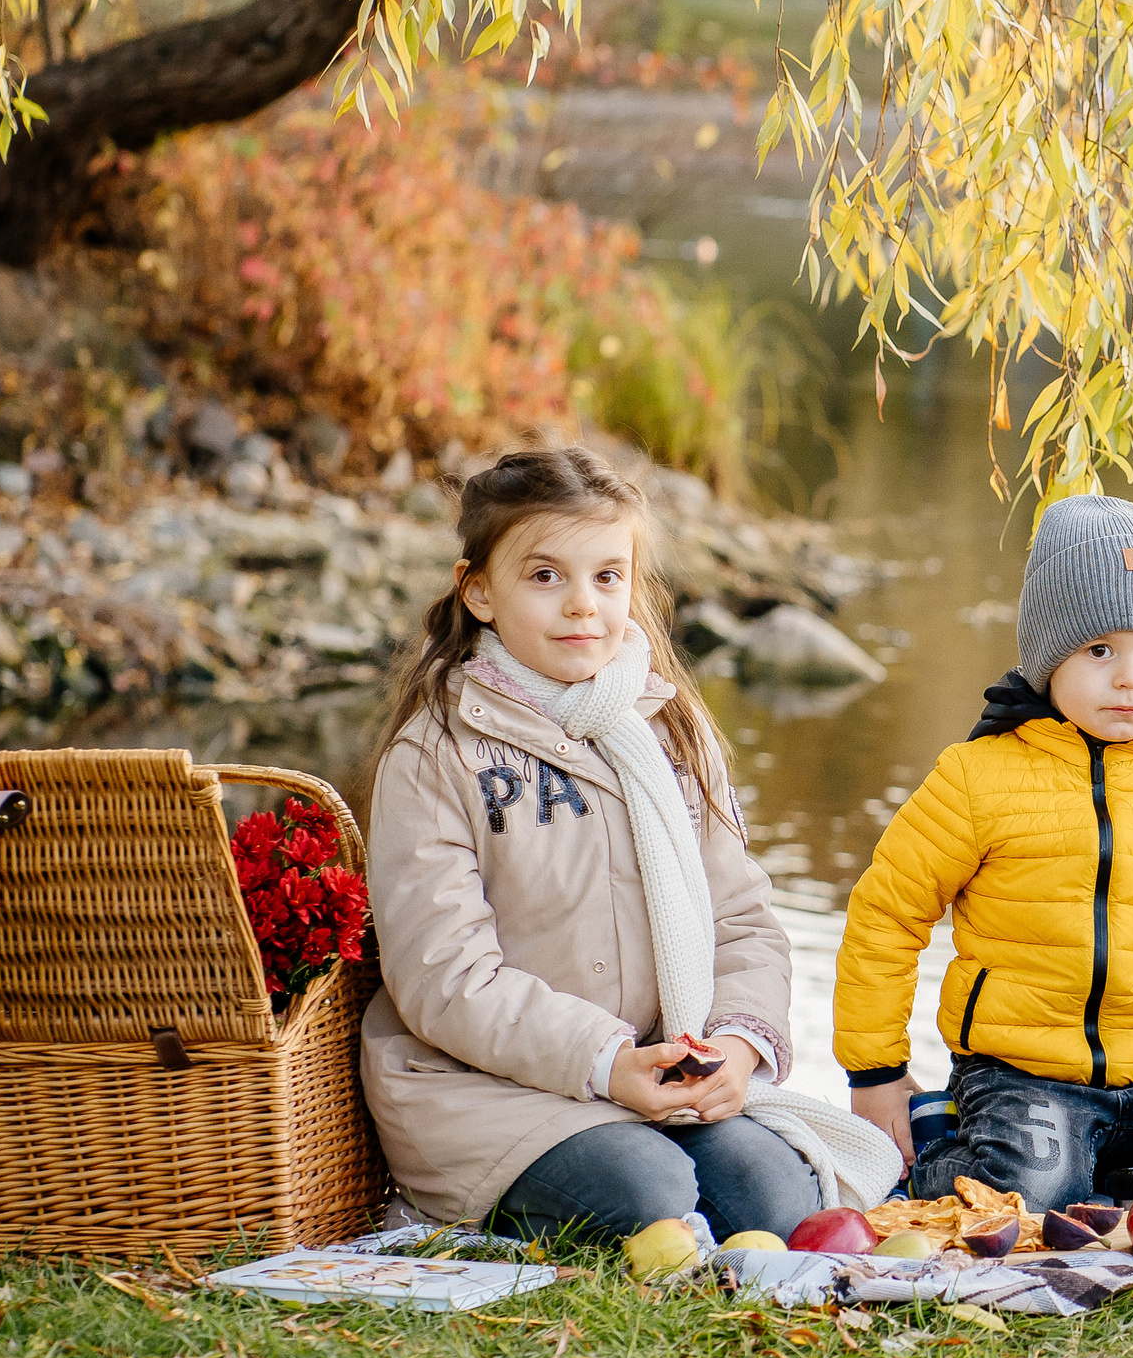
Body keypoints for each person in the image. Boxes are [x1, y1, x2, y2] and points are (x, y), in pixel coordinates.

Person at [361, 448, 881, 1242]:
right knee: (650, 1189)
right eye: (545, 576)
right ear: (479, 591)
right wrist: (606, 1063)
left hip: (658, 1072)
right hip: (487, 1090)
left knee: (779, 1195)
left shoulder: (667, 732)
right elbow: (446, 979)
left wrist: (736, 1049)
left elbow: (742, 919)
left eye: (607, 577)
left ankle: (673, 1138)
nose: (582, 606)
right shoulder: (437, 754)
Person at [837, 495, 1133, 1210]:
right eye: (1099, 650)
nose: (1130, 677)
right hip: (1023, 1074)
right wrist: (875, 1072)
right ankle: (936, 1147)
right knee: (1030, 1188)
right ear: (1047, 657)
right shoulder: (977, 775)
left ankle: (1104, 1182)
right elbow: (887, 914)